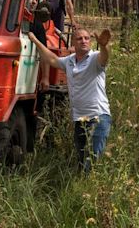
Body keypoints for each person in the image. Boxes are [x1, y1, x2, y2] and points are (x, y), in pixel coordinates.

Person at [28, 27, 112, 172]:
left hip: (98, 117)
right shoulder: (69, 61)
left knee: (90, 163)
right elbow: (51, 58)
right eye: (79, 39)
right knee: (81, 162)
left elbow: (104, 58)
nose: (84, 41)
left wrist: (104, 46)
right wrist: (35, 40)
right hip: (80, 119)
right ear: (73, 42)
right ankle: (82, 189)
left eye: (87, 38)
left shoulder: (95, 58)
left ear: (91, 42)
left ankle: (88, 190)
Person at [28, 0, 50, 92]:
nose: (33, 2)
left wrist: (45, 77)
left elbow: (44, 52)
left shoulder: (37, 25)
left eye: (36, 0)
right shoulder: (10, 16)